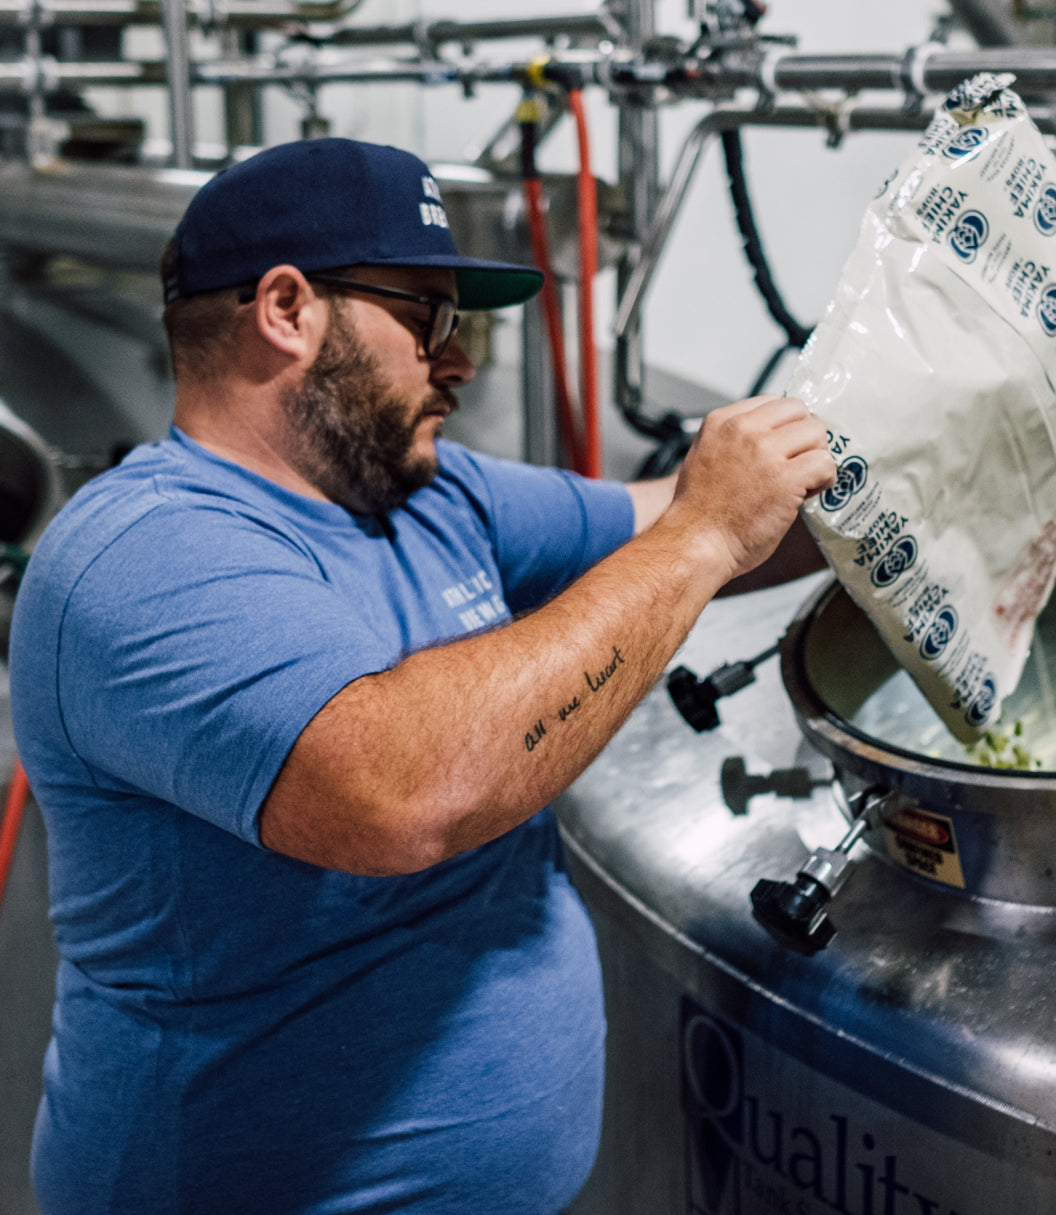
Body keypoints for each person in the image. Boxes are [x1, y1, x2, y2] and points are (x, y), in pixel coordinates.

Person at [9, 137, 837, 1215]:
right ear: (288, 310)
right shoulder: (143, 555)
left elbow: (714, 529)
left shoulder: (433, 493)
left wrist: (963, 470)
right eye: (429, 321)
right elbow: (401, 797)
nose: (461, 362)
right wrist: (698, 536)